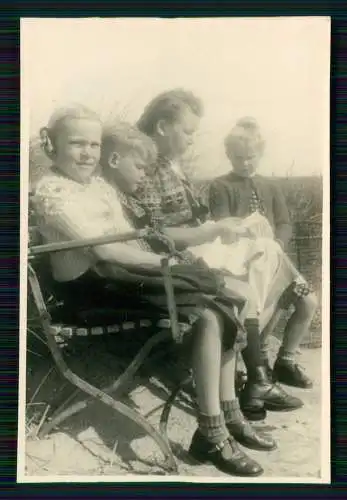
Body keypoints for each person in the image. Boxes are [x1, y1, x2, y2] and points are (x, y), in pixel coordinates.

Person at [31, 105, 274, 478]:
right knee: (206, 312)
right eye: (76, 143)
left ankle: (228, 412)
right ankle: (211, 432)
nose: (87, 153)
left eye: (93, 145)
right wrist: (172, 266)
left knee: (226, 294)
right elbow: (105, 250)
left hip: (117, 279)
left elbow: (129, 241)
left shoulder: (97, 186)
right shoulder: (52, 192)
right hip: (90, 292)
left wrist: (176, 262)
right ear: (53, 145)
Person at [135, 89, 309, 420]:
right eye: (188, 132)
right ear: (162, 127)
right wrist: (216, 229)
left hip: (194, 248)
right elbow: (159, 232)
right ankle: (257, 375)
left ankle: (256, 374)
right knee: (257, 266)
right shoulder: (149, 168)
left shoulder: (168, 165)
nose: (191, 140)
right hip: (182, 256)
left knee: (265, 257)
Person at [209, 117, 318, 389]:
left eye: (250, 157)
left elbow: (284, 222)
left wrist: (278, 243)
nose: (245, 163)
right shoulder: (221, 186)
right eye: (238, 158)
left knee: (309, 302)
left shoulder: (271, 186)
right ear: (228, 155)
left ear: (260, 153)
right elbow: (223, 225)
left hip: (275, 254)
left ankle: (286, 360)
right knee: (261, 309)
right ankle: (255, 366)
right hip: (244, 259)